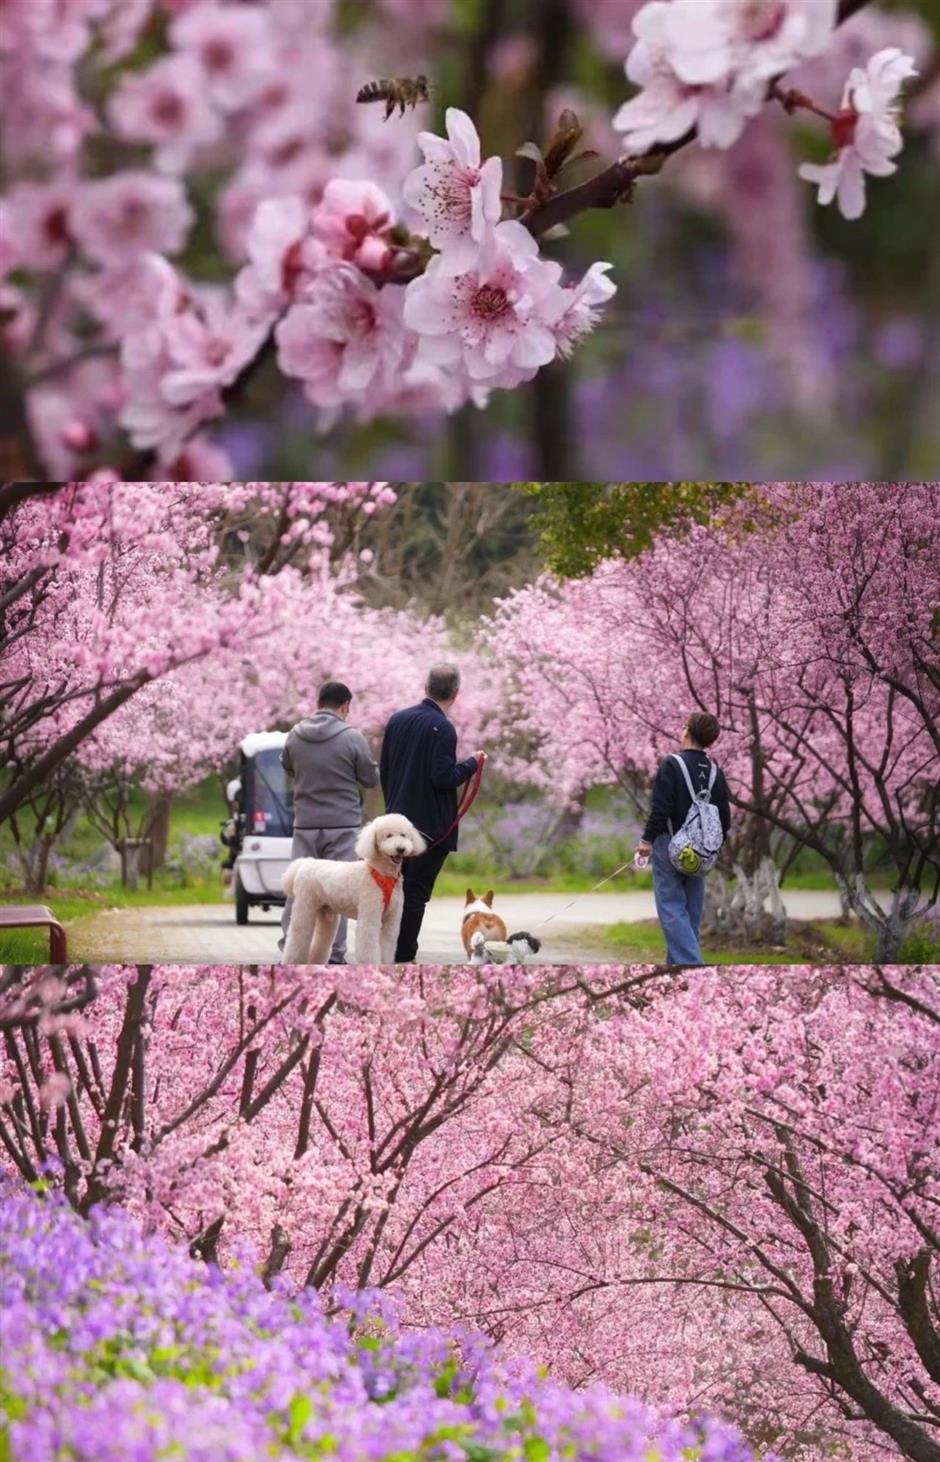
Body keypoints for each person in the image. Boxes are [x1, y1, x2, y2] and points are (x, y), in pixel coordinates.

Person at [380, 665, 483, 962]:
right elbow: (442, 778)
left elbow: (385, 770)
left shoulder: (397, 720)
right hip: (429, 829)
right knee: (416, 892)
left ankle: (386, 948)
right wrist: (472, 764)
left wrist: (392, 810)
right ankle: (403, 954)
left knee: (392, 890)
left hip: (395, 824)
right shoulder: (443, 728)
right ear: (455, 693)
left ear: (425, 688)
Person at [280, 681, 379, 963]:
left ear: (318, 703)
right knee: (339, 890)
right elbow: (370, 778)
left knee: (300, 888)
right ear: (346, 705)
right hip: (342, 824)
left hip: (305, 823)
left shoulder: (295, 735)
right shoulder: (352, 737)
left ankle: (290, 950)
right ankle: (334, 955)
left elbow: (287, 766)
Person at [635, 711, 731, 967]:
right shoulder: (715, 771)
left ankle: (693, 965)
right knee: (691, 912)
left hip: (671, 846)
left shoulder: (672, 764)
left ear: (686, 731)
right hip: (701, 851)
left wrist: (646, 842)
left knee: (671, 908)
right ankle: (677, 968)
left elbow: (661, 809)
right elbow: (725, 818)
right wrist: (711, 848)